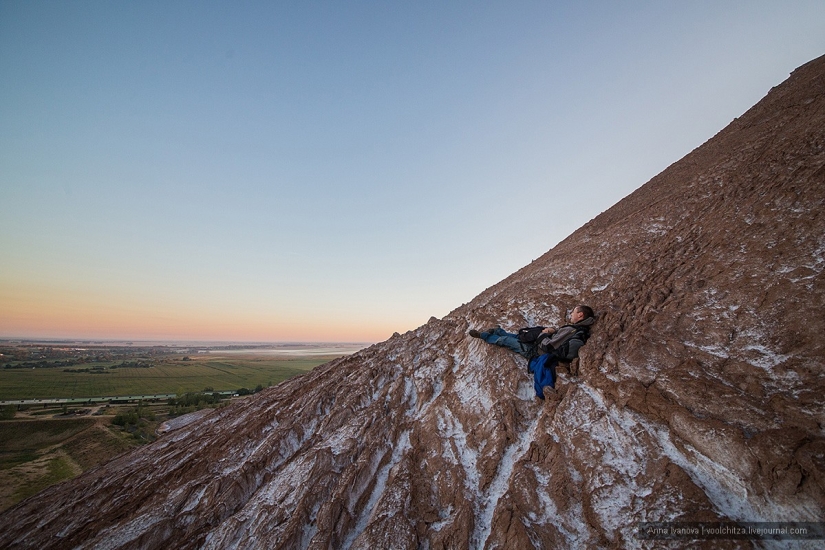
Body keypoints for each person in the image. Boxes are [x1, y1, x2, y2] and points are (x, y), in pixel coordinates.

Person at [468, 305, 595, 399]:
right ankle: (496, 331)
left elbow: (549, 346)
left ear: (580, 315)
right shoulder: (576, 329)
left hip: (537, 351)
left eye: (574, 312)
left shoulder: (572, 330)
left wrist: (542, 335)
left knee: (507, 340)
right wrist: (552, 331)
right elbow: (559, 339)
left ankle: (485, 336)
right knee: (517, 337)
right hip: (538, 347)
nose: (571, 314)